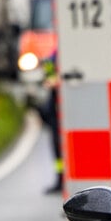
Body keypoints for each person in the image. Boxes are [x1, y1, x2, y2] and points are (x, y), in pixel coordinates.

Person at [38, 51, 63, 194]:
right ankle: (60, 179)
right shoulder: (55, 53)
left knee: (62, 145)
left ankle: (64, 180)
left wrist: (59, 80)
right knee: (57, 145)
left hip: (66, 108)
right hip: (55, 105)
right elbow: (47, 69)